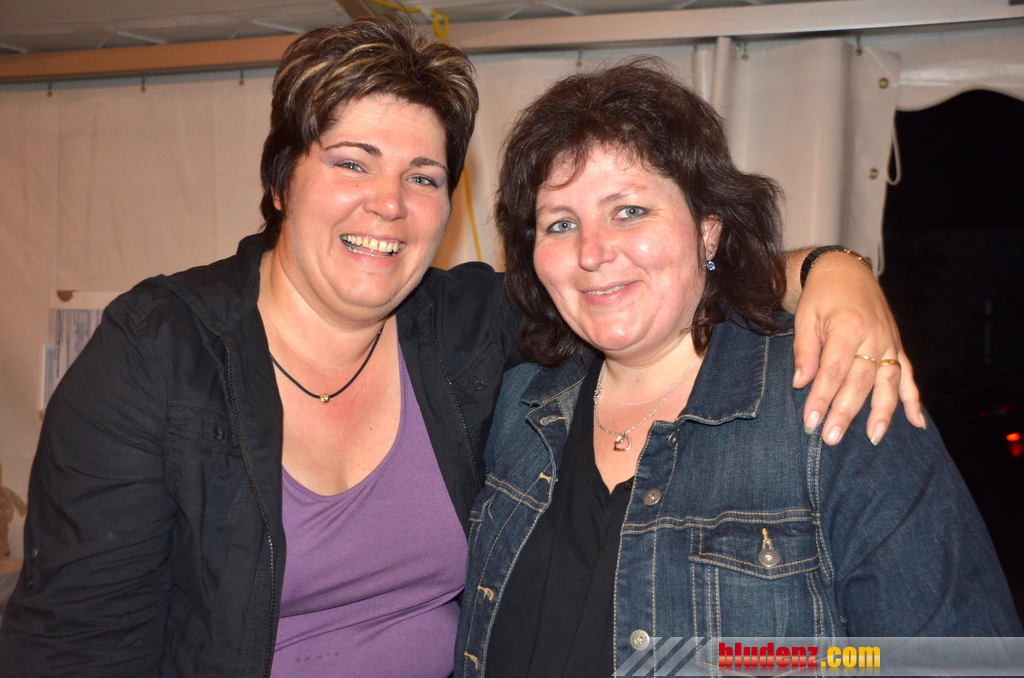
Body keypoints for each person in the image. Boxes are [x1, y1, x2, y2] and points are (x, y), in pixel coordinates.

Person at [0, 19, 922, 678]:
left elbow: (630, 280)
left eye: (423, 175)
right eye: (352, 162)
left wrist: (834, 271)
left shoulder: (463, 327)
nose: (389, 203)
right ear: (281, 181)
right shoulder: (158, 353)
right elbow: (77, 647)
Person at [455, 59, 1021, 677]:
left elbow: (960, 662)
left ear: (708, 232)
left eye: (630, 211)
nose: (591, 252)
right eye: (561, 224)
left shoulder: (829, 396)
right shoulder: (519, 405)